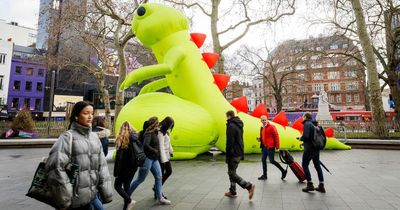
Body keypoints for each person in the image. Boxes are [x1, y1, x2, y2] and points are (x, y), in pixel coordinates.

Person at [46, 101, 113, 210]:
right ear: (76, 116)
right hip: (74, 200)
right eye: (86, 113)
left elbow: (102, 167)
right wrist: (66, 195)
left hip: (91, 196)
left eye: (92, 113)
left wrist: (106, 191)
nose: (90, 116)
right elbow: (54, 167)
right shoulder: (67, 138)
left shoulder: (95, 138)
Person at [129, 117, 171, 205]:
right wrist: (155, 150)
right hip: (147, 159)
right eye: (157, 123)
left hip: (154, 159)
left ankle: (160, 198)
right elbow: (145, 145)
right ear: (154, 124)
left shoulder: (156, 133)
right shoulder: (149, 133)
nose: (158, 124)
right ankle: (127, 196)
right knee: (140, 179)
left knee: (159, 177)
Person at [224, 110, 255, 200]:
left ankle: (248, 186)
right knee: (232, 172)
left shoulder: (231, 125)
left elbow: (229, 142)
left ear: (228, 116)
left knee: (231, 173)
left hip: (233, 153)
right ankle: (232, 191)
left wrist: (228, 155)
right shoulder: (238, 124)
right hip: (239, 151)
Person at [114, 121, 139, 210]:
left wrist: (116, 172)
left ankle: (129, 201)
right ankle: (126, 207)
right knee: (127, 184)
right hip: (134, 166)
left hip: (125, 168)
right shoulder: (135, 138)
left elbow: (119, 159)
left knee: (117, 186)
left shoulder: (121, 140)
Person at [300, 112, 325, 193]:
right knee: (317, 165)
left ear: (305, 117)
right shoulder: (314, 124)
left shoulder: (307, 124)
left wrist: (300, 138)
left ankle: (310, 184)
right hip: (316, 148)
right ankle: (321, 185)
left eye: (303, 116)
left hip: (309, 148)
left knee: (304, 164)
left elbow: (306, 136)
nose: (302, 118)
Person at [259, 115, 287, 180]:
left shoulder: (271, 127)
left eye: (265, 120)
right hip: (264, 147)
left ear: (267, 119)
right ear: (261, 121)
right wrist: (260, 139)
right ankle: (264, 175)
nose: (264, 121)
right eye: (262, 120)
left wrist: (277, 146)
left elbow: (276, 136)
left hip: (270, 147)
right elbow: (264, 136)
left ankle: (283, 171)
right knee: (263, 160)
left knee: (272, 161)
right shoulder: (262, 127)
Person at [156, 116, 174, 198]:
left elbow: (168, 143)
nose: (171, 126)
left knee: (169, 171)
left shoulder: (166, 132)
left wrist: (171, 150)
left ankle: (156, 189)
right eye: (170, 125)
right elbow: (161, 146)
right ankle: (159, 192)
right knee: (161, 175)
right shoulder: (160, 133)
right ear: (166, 123)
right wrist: (163, 159)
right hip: (162, 157)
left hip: (166, 155)